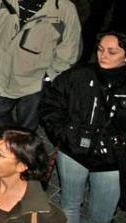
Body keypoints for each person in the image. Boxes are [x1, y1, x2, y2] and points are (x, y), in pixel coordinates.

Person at [0, 0, 81, 130]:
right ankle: (13, 142)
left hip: (34, 80)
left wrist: (50, 75)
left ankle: (18, 148)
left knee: (27, 124)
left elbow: (69, 46)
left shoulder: (64, 11)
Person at [40, 31, 126, 223]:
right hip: (73, 153)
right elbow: (50, 103)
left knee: (101, 217)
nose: (103, 55)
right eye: (100, 49)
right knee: (69, 205)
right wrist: (64, 134)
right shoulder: (79, 75)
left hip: (111, 163)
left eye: (112, 52)